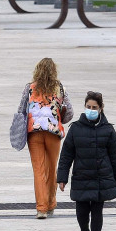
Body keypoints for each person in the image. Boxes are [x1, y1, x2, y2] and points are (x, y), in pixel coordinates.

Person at [56, 91, 116, 231]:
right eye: (88, 107)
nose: (91, 110)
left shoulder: (108, 130)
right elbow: (66, 154)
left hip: (101, 176)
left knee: (96, 212)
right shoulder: (76, 129)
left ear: (101, 109)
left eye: (94, 107)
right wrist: (62, 177)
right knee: (81, 212)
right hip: (81, 176)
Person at [20, 58, 73, 219]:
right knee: (51, 169)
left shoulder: (29, 88)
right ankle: (50, 205)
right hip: (53, 133)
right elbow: (69, 112)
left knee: (38, 170)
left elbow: (21, 110)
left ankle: (41, 208)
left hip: (34, 133)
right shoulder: (60, 88)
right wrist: (59, 118)